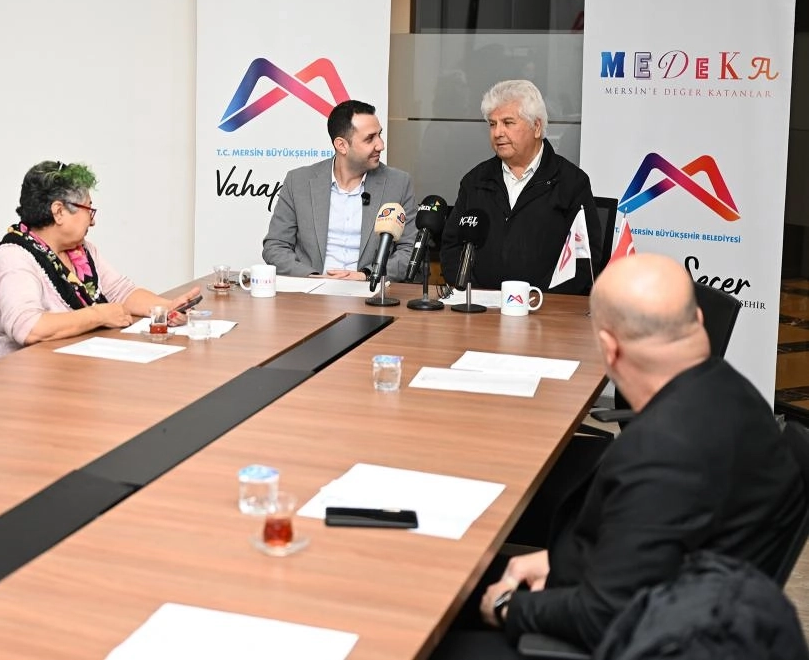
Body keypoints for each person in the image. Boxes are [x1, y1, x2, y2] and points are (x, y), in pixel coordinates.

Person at [432, 253, 807, 659]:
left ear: (610, 349)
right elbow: (649, 549)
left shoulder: (660, 453)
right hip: (668, 596)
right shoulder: (737, 395)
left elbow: (603, 616)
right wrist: (558, 561)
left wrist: (507, 607)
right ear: (698, 321)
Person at [0, 160, 200, 357]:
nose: (92, 221)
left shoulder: (81, 250)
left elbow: (121, 292)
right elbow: (28, 328)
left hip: (71, 365)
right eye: (88, 209)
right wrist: (98, 315)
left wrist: (166, 307)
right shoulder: (13, 257)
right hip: (20, 375)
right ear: (59, 212)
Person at [439, 80, 601, 294]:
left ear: (536, 127)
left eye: (508, 123)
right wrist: (475, 296)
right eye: (492, 124)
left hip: (545, 306)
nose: (497, 132)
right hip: (480, 304)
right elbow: (452, 247)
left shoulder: (571, 182)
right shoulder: (475, 181)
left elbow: (584, 257)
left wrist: (542, 301)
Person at [262, 100, 417, 280]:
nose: (380, 145)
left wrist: (366, 276)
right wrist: (311, 277)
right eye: (369, 138)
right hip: (311, 289)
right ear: (341, 145)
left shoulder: (398, 183)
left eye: (379, 135)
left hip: (368, 289)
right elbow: (275, 246)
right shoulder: (298, 182)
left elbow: (410, 250)